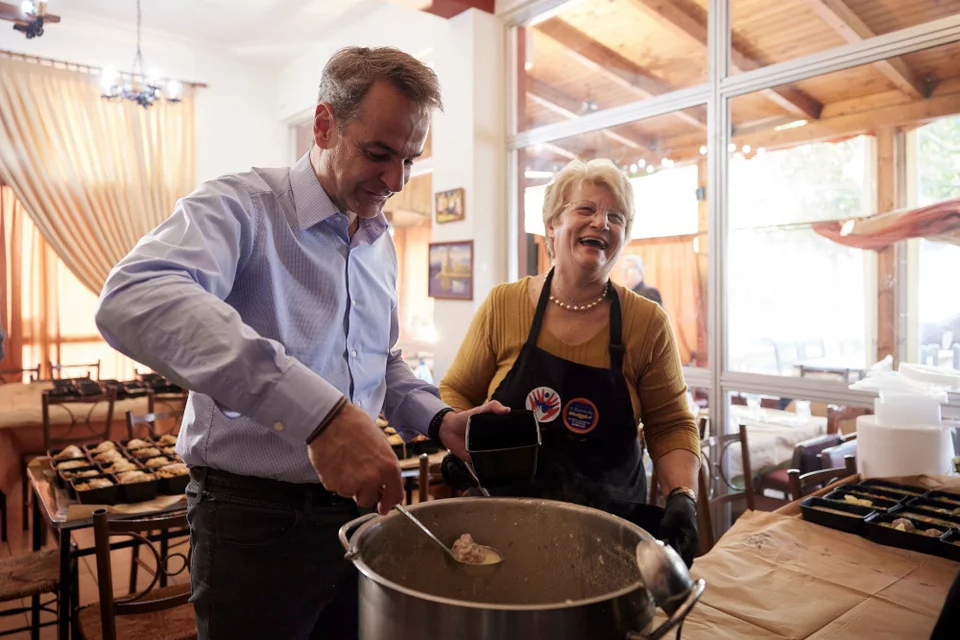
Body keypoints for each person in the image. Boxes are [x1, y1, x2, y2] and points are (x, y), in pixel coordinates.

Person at [96, 46, 504, 640]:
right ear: (323, 123)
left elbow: (382, 365)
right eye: (379, 154)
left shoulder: (379, 244)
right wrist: (320, 416)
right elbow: (133, 296)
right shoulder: (240, 207)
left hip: (359, 516)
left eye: (411, 160)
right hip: (252, 521)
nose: (397, 182)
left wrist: (441, 420)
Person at [439, 158, 701, 565]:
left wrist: (682, 496)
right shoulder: (504, 305)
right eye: (586, 209)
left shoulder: (646, 323)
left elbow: (672, 424)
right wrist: (466, 446)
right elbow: (457, 391)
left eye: (616, 217)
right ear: (551, 226)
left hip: (606, 536)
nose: (602, 222)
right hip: (502, 526)